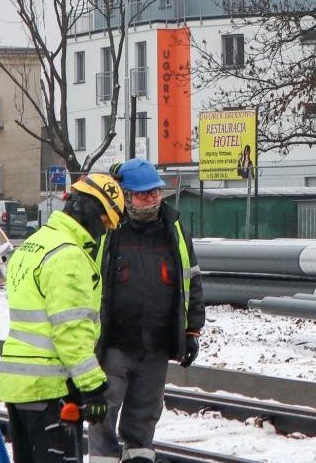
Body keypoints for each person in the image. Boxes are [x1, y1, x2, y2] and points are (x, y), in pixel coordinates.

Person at [0, 173, 127, 463]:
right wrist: (94, 387)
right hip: (50, 386)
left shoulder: (34, 244)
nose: (105, 231)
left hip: (18, 384)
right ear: (90, 209)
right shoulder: (69, 257)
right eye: (105, 221)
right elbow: (71, 331)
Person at [88, 158, 204, 463]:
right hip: (113, 343)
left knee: (144, 415)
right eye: (143, 194)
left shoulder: (173, 228)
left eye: (155, 192)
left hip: (155, 344)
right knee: (104, 414)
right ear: (124, 196)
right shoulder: (108, 230)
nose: (151, 199)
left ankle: (139, 457)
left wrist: (191, 330)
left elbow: (190, 279)